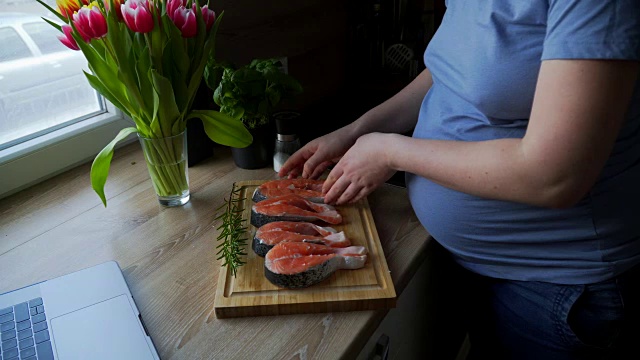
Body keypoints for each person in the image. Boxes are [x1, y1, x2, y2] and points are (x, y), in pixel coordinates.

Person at [278, 1, 640, 359]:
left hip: (559, 290)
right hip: (476, 266)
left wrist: (390, 152)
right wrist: (357, 131)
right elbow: (449, 71)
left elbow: (555, 177)